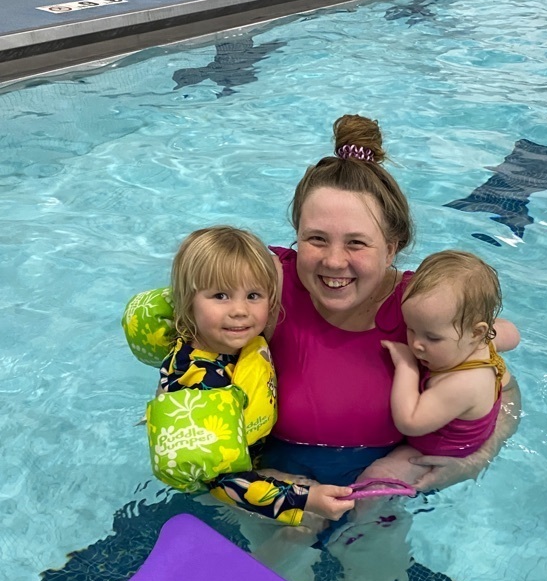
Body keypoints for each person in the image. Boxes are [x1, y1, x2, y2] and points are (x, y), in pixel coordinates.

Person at [124, 114, 522, 493]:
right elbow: (191, 345)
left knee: (370, 555)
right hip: (270, 473)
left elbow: (500, 387)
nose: (334, 261)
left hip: (380, 482)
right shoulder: (263, 287)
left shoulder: (425, 308)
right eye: (316, 239)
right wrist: (267, 486)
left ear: (391, 248)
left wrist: (476, 457)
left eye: (356, 243)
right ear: (296, 233)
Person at [146, 225, 354, 523]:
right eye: (221, 296)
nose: (240, 310)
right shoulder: (201, 384)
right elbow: (221, 484)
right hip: (222, 488)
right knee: (308, 524)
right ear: (188, 302)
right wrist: (303, 500)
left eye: (253, 295)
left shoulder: (229, 344)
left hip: (251, 457)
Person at [368, 251, 518, 485]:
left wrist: (407, 367)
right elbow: (513, 334)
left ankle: (363, 520)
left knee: (378, 478)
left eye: (432, 337)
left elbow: (410, 421)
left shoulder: (463, 383)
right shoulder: (481, 340)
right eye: (410, 328)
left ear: (476, 332)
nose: (416, 344)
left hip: (437, 455)